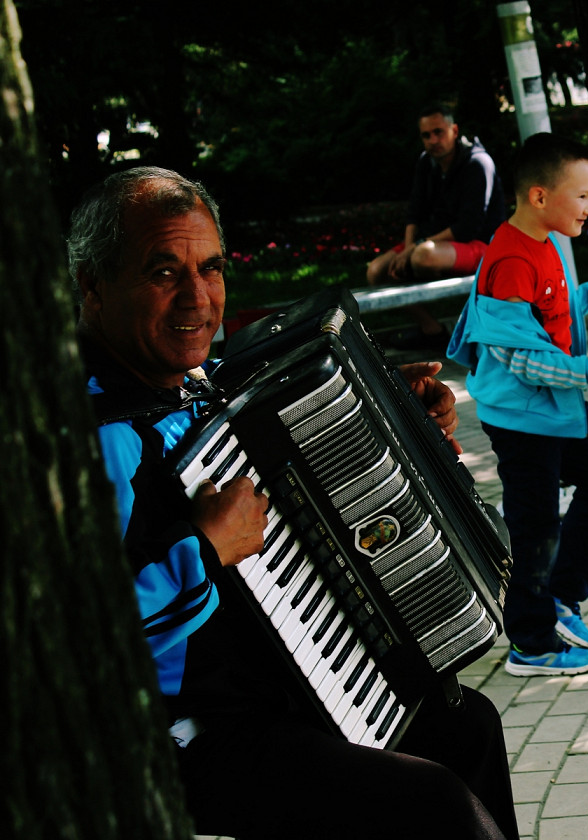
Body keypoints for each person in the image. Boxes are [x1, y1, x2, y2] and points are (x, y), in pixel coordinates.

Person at [70, 166, 518, 840]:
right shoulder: (82, 440)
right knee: (435, 806)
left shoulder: (189, 383)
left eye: (211, 268)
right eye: (163, 273)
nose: (197, 297)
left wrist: (397, 419)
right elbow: (74, 636)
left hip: (282, 675)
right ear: (92, 286)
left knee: (467, 729)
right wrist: (206, 551)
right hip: (181, 730)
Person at [446, 133, 588, 678]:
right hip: (522, 416)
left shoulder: (546, 240)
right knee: (534, 527)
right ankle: (530, 644)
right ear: (538, 196)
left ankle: (559, 598)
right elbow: (526, 361)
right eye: (583, 195)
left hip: (555, 405)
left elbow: (556, 307)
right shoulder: (509, 259)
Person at [366, 103, 507, 350]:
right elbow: (414, 213)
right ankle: (432, 330)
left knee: (423, 256)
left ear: (454, 130)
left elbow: (468, 227)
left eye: (438, 132)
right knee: (376, 271)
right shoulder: (426, 162)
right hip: (435, 243)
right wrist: (407, 248)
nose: (433, 140)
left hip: (481, 244)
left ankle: (479, 329)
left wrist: (414, 250)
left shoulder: (478, 163)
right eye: (426, 135)